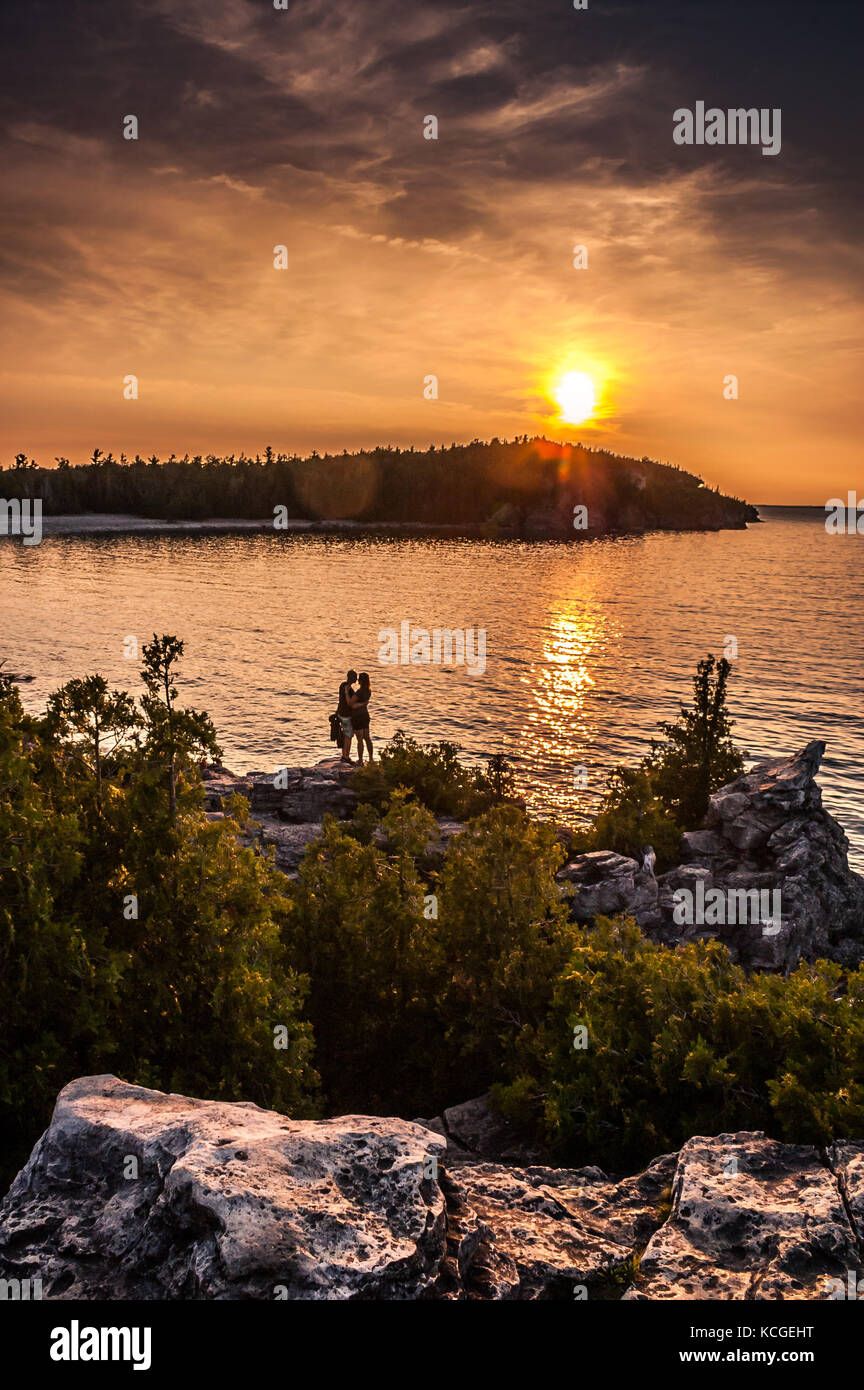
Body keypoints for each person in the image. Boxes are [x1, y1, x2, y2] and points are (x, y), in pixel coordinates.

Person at [349, 672, 373, 764]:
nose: (358, 680)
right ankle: (371, 758)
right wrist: (363, 704)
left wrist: (347, 693)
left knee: (360, 739)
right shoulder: (368, 691)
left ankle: (360, 760)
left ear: (362, 681)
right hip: (365, 715)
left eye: (359, 679)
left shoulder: (360, 691)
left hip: (358, 716)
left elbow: (351, 703)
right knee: (367, 738)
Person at [337, 669, 357, 763]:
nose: (356, 679)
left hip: (340, 713)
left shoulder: (342, 685)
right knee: (348, 736)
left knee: (345, 735)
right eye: (355, 677)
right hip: (346, 715)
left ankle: (344, 755)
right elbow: (350, 703)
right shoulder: (349, 690)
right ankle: (346, 757)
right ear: (352, 678)